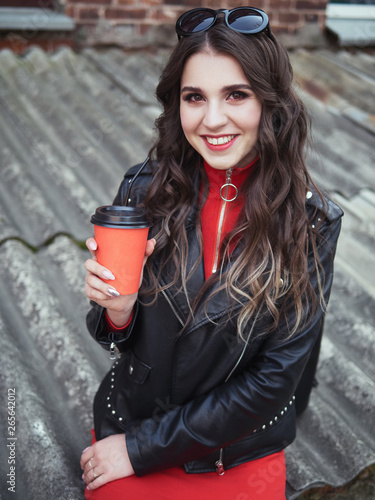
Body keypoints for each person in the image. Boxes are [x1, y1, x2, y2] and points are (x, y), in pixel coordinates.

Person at [80, 7, 343, 499]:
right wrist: (117, 312)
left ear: (270, 101)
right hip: (135, 420)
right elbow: (119, 341)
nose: (213, 119)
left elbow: (273, 383)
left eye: (236, 95)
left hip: (235, 450)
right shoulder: (143, 192)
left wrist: (140, 450)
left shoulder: (311, 224)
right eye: (194, 97)